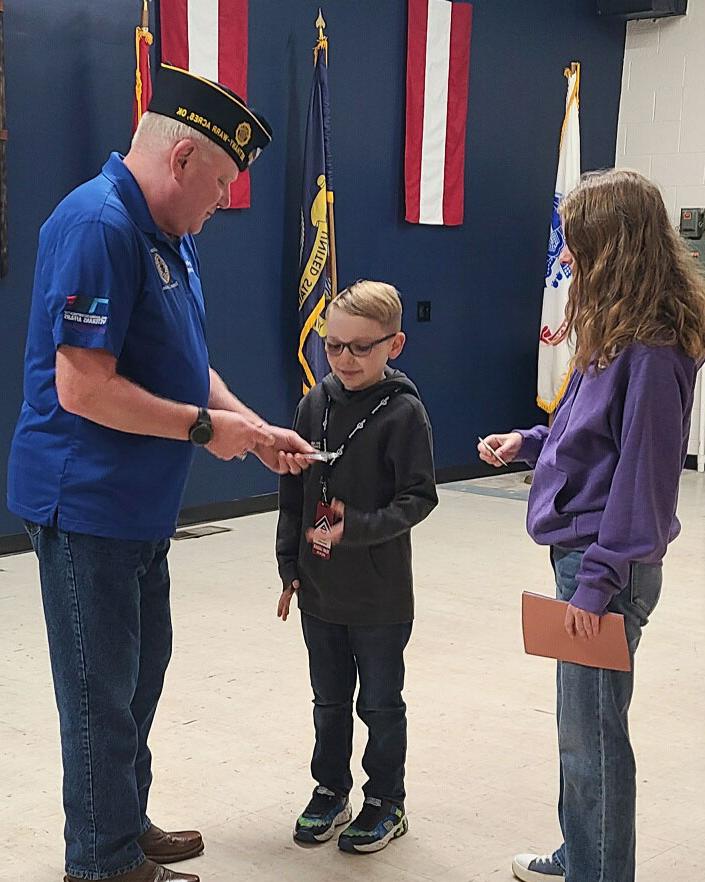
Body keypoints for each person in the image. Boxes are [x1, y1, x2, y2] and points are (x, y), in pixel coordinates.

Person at [7, 64, 312, 882]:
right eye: (217, 186)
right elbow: (82, 386)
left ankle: (123, 822)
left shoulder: (165, 232)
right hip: (87, 503)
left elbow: (187, 364)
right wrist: (205, 428)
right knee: (98, 694)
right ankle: (101, 863)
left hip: (139, 505)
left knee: (138, 680)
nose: (218, 207)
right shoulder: (100, 225)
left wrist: (244, 427)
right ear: (180, 161)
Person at [478, 169, 705, 882]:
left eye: (573, 242)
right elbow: (588, 433)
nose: (565, 258)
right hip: (580, 558)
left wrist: (596, 585)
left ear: (611, 244)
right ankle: (583, 851)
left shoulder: (653, 350)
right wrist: (530, 441)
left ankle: (599, 869)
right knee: (577, 730)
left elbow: (642, 482)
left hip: (604, 567)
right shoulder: (612, 329)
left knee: (594, 741)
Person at [276, 280, 438, 854]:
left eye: (360, 348)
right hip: (320, 590)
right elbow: (293, 491)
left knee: (379, 703)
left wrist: (358, 528)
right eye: (334, 345)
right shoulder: (313, 402)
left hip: (379, 595)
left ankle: (386, 801)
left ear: (394, 345)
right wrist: (288, 564)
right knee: (328, 700)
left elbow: (420, 498)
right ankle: (330, 789)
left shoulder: (404, 414)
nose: (344, 359)